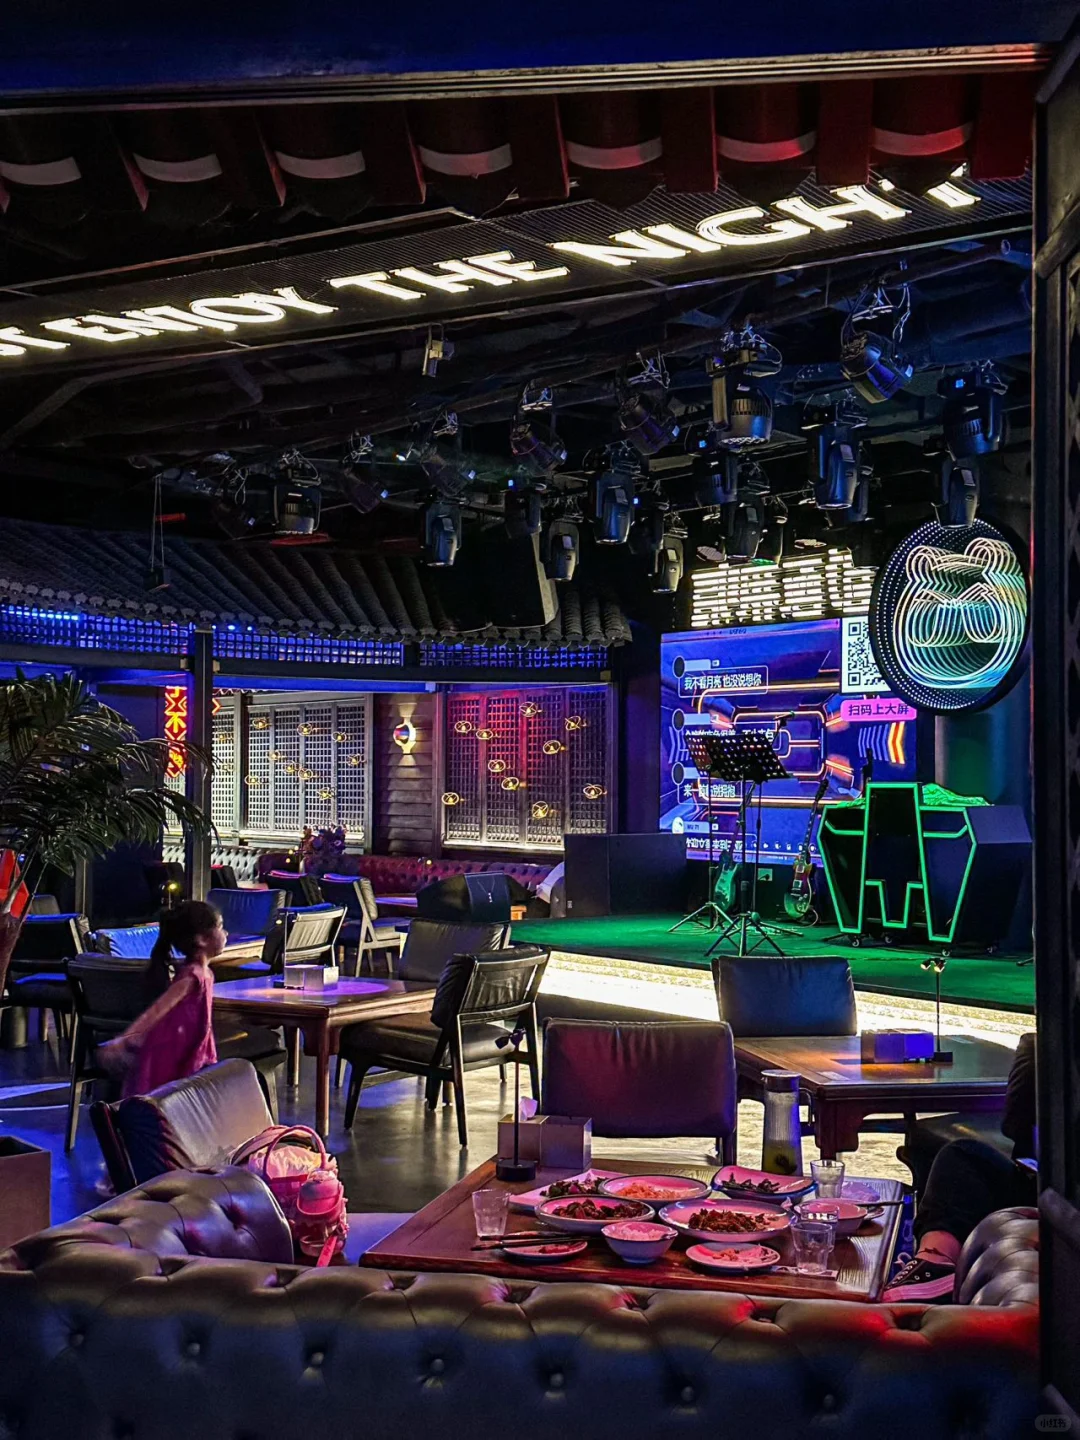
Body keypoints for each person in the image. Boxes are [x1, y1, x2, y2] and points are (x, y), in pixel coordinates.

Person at [883, 1031, 1037, 1302]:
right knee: (962, 1157)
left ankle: (933, 1265)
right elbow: (1017, 1130)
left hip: (1055, 1196)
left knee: (961, 1157)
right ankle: (933, 1264)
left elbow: (1016, 1126)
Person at [99, 900, 226, 1097]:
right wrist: (124, 1040)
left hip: (191, 1045)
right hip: (173, 1050)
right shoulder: (193, 975)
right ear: (201, 939)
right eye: (220, 927)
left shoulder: (204, 973)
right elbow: (158, 1010)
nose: (225, 933)